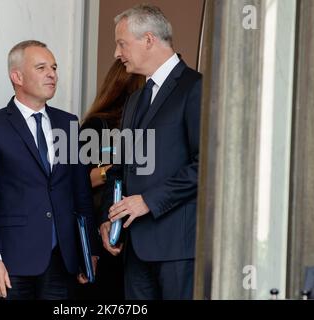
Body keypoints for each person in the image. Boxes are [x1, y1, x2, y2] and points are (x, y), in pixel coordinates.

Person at [0, 40, 98, 300]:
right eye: (41, 68)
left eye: (54, 67)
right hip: (11, 262)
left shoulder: (68, 123)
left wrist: (89, 250)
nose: (52, 74)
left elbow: (81, 192)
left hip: (63, 261)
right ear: (17, 76)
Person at [99, 4, 202, 300]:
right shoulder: (133, 100)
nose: (116, 54)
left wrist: (148, 201)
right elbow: (119, 169)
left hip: (178, 250)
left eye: (121, 43)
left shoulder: (196, 88)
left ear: (148, 39)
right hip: (134, 250)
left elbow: (206, 165)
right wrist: (110, 219)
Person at [74, 60, 145, 300]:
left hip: (135, 231)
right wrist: (115, 169)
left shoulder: (143, 126)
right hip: (104, 227)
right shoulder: (96, 126)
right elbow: (80, 178)